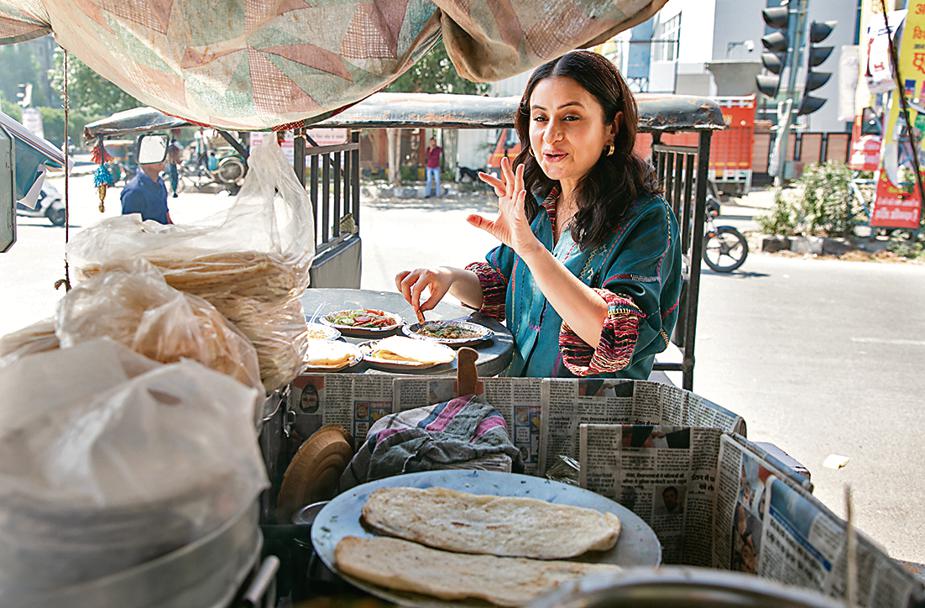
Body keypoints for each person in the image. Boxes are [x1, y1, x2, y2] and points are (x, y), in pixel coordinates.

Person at [396, 51, 681, 378]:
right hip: (519, 404)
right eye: (540, 117)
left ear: (611, 128)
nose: (550, 135)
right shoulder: (541, 201)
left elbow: (614, 335)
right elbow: (498, 285)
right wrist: (444, 276)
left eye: (571, 117)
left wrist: (530, 250)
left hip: (594, 416)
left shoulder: (647, 218)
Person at [121, 151, 171, 224]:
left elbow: (165, 214)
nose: (162, 160)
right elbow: (130, 226)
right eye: (155, 157)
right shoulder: (134, 191)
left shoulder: (160, 183)